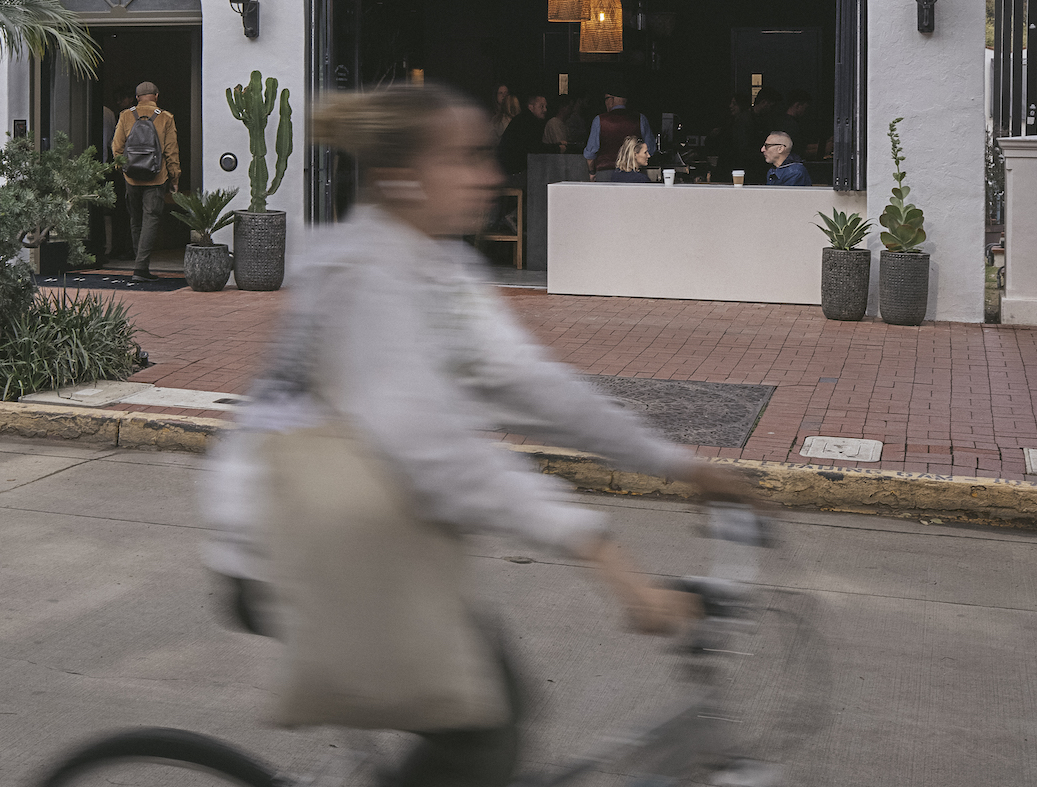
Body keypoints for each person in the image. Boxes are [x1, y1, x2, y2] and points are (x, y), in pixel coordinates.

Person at [200, 83, 745, 787]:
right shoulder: (366, 271)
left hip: (371, 527)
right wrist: (604, 553)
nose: (489, 175)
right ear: (402, 176)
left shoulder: (441, 269)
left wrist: (678, 465)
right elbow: (436, 452)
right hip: (283, 537)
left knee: (497, 702)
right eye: (464, 158)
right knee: (484, 733)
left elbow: (537, 386)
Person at [111, 80, 181, 285]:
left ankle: (138, 263)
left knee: (135, 219)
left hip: (131, 177)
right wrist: (175, 177)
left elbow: (117, 147)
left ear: (137, 97)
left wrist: (123, 169)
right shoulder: (166, 117)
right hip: (156, 177)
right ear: (156, 97)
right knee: (151, 219)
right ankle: (141, 267)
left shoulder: (125, 115)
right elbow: (171, 151)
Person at [583, 93, 652, 177]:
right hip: (633, 173)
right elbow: (650, 148)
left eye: (606, 99)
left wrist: (592, 173)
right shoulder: (640, 119)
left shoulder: (599, 120)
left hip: (605, 172)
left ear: (611, 100)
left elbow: (590, 154)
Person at [497, 92, 547, 179]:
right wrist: (557, 148)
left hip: (507, 170)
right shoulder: (528, 122)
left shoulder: (523, 119)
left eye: (546, 106)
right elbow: (534, 149)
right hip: (513, 173)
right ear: (531, 107)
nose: (545, 110)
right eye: (541, 106)